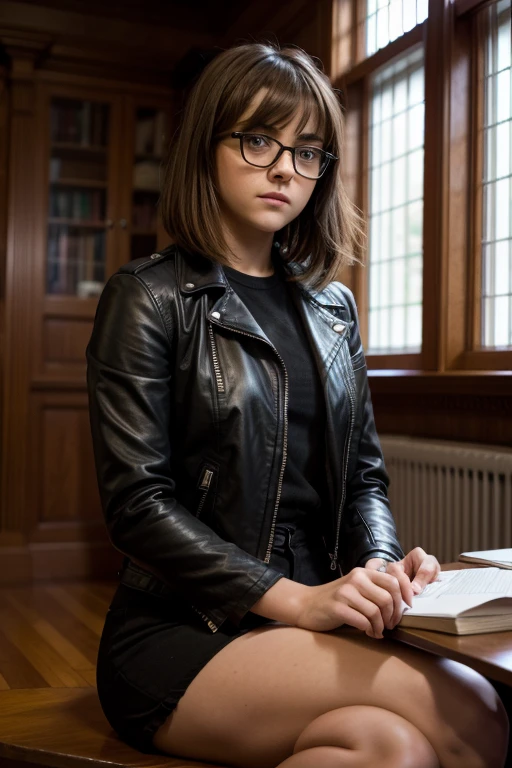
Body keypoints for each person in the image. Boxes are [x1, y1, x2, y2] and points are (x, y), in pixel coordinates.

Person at [86, 41, 508, 768]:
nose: (285, 167)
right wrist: (293, 600)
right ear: (207, 144)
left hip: (318, 608)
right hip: (182, 627)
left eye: (308, 151)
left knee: (388, 749)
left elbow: (365, 479)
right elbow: (137, 507)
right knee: (475, 714)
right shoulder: (149, 297)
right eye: (258, 140)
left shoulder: (333, 307)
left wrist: (378, 568)